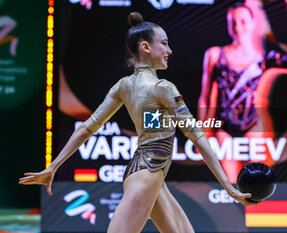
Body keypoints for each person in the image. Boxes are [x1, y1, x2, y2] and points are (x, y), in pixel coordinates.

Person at [19, 12, 258, 233]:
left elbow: (85, 129)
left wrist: (54, 166)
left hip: (147, 175)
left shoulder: (123, 86)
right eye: (164, 43)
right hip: (147, 175)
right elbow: (199, 137)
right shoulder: (164, 88)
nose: (170, 50)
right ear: (145, 47)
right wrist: (228, 187)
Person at [197, 0, 287, 182]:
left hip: (254, 125)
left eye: (243, 21)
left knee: (258, 181)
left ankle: (258, 208)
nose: (238, 27)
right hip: (224, 126)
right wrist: (201, 134)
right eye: (233, 22)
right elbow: (206, 98)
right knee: (229, 183)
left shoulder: (266, 59)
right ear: (228, 25)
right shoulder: (215, 54)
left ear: (252, 23)